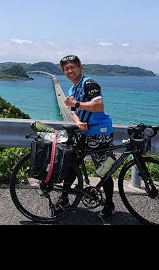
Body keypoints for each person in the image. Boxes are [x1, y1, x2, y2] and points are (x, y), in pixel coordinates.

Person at [56, 54, 116, 222]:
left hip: (100, 132)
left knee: (103, 170)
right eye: (66, 69)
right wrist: (78, 121)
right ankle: (64, 197)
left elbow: (98, 106)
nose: (69, 71)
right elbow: (74, 112)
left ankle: (109, 205)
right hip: (85, 132)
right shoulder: (72, 90)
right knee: (71, 164)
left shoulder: (89, 84)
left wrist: (75, 104)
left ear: (80, 67)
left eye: (72, 67)